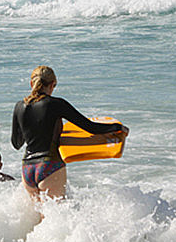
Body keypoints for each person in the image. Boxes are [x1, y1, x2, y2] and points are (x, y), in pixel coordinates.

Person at [11, 66, 127, 201]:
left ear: (31, 83)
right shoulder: (56, 104)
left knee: (39, 217)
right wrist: (117, 127)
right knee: (53, 217)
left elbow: (16, 143)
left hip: (27, 169)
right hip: (49, 165)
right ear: (53, 84)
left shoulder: (19, 106)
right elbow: (90, 127)